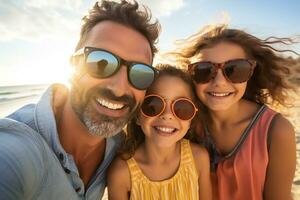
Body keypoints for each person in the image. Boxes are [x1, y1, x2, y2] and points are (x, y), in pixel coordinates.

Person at [0, 0, 160, 199]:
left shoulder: (121, 146)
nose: (119, 89)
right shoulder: (15, 150)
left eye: (140, 73)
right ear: (73, 65)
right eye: (101, 62)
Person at [169, 25, 298, 200]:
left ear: (251, 72)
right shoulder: (184, 122)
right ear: (191, 75)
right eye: (204, 70)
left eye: (235, 69)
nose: (219, 82)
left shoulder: (276, 130)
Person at [107, 64, 212, 200]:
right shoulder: (121, 173)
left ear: (191, 120)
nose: (168, 115)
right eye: (154, 105)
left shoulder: (199, 158)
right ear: (138, 115)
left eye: (182, 108)